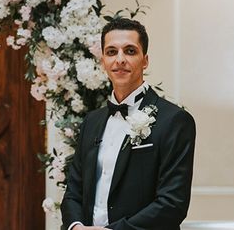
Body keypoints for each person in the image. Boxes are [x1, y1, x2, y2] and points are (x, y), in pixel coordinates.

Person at [61, 17, 196, 230]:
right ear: (103, 60)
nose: (120, 59)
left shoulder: (174, 120)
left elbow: (173, 203)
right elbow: (73, 191)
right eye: (111, 52)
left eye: (130, 51)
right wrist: (76, 226)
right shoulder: (91, 121)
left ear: (145, 60)